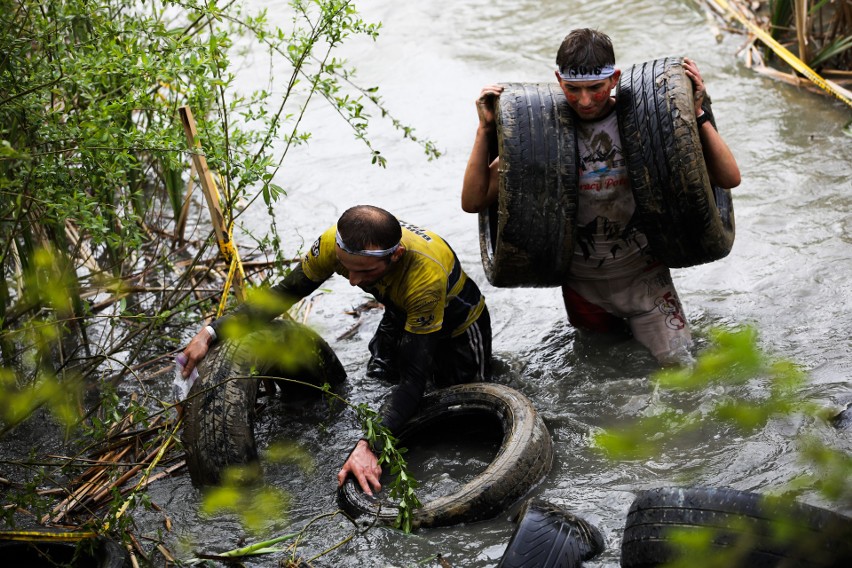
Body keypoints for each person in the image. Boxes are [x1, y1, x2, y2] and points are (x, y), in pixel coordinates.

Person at [461, 28, 740, 365]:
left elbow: (728, 178)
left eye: (595, 88)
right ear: (557, 81)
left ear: (614, 79)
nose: (585, 101)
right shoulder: (540, 137)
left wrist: (695, 112)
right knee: (605, 385)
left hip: (647, 283)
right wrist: (486, 129)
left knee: (683, 373)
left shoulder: (647, 124)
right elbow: (473, 202)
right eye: (573, 89)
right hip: (582, 291)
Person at [181, 205, 492, 494]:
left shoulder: (424, 277)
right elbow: (283, 294)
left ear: (396, 255)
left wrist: (370, 445)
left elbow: (413, 379)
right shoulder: (333, 243)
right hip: (399, 311)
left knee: (458, 411)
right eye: (347, 269)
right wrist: (211, 331)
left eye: (366, 272)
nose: (354, 282)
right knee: (381, 378)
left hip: (458, 326)